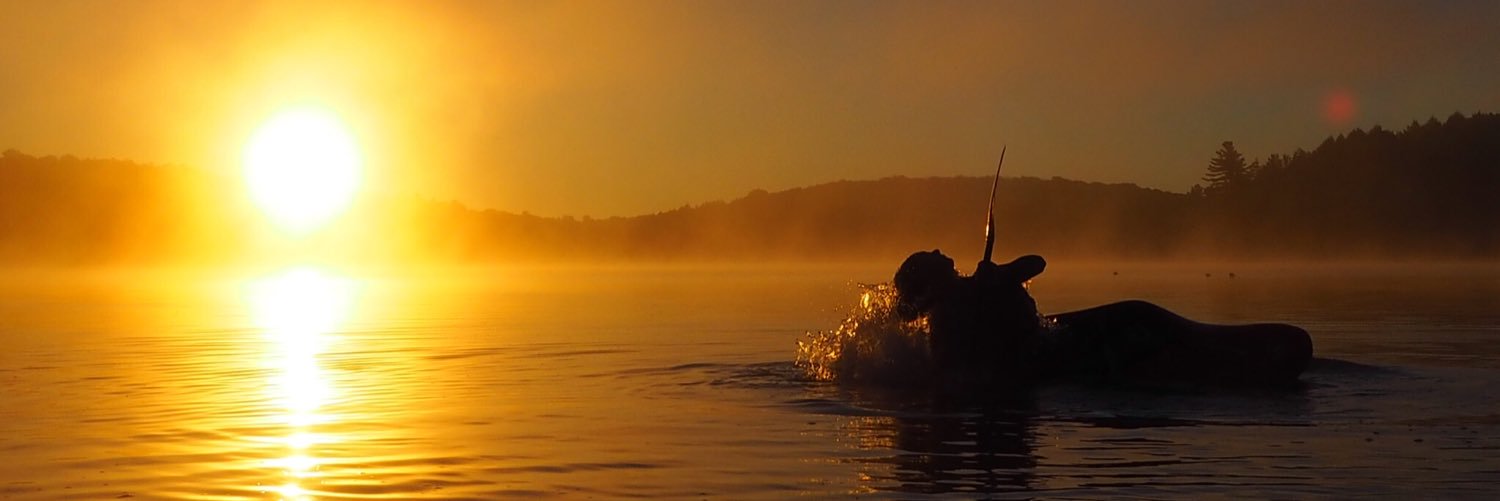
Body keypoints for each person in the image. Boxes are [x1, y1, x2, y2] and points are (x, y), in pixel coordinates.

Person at [893, 249, 1312, 388]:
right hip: (1070, 357)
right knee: (1147, 328)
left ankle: (1226, 353)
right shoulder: (948, 319)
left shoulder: (978, 286)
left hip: (1069, 340)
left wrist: (998, 277)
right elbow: (967, 374)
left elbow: (1036, 262)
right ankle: (1233, 363)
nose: (938, 250)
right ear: (929, 284)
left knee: (1144, 317)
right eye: (929, 257)